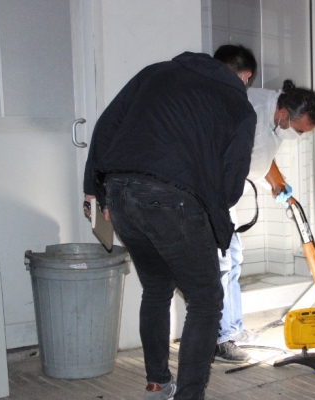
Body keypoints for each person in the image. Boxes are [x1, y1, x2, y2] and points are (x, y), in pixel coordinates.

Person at [83, 45, 257, 399]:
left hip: (119, 190)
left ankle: (157, 383)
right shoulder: (239, 105)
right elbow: (232, 182)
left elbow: (107, 125)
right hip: (171, 199)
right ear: (245, 76)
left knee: (157, 288)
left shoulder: (157, 72)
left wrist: (95, 189)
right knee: (206, 300)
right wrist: (211, 216)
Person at [213, 78, 315, 362]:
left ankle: (233, 329)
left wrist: (278, 185)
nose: (300, 136)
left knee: (233, 258)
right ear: (284, 114)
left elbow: (262, 155)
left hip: (225, 192)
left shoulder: (276, 116)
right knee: (221, 264)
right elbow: (246, 155)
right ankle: (220, 339)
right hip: (211, 190)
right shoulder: (252, 110)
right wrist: (272, 183)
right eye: (299, 131)